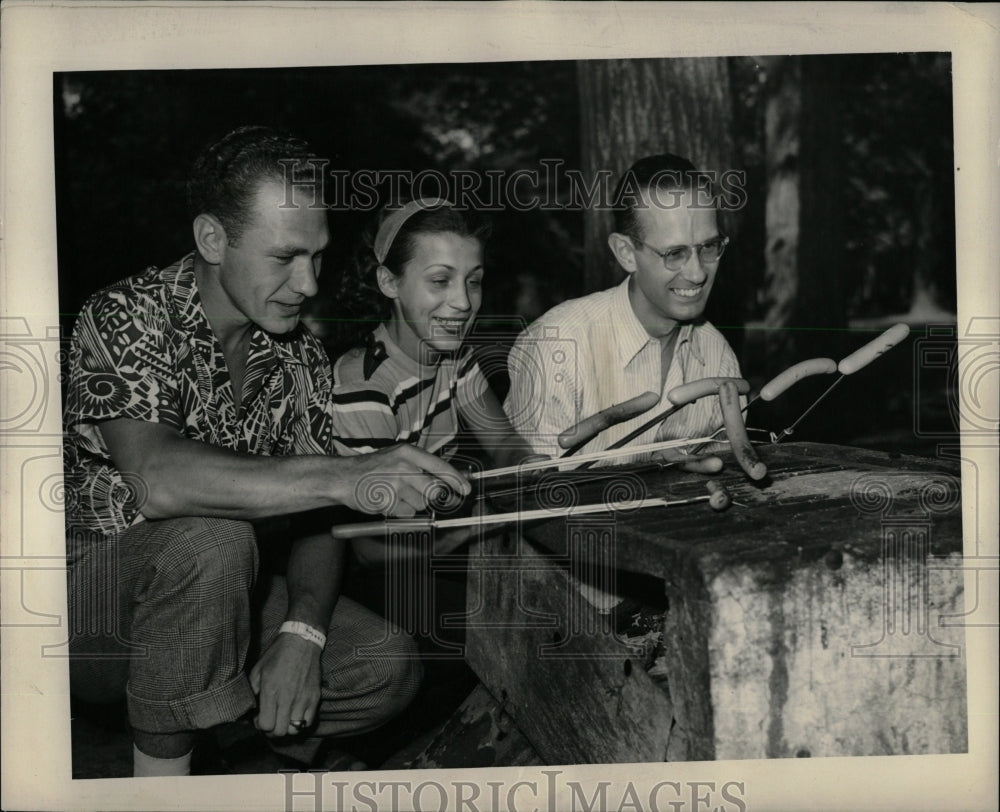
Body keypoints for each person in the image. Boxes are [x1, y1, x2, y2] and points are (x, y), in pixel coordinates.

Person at [62, 127, 469, 777]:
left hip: (222, 595)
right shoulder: (125, 316)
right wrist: (346, 473)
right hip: (89, 612)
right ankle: (159, 786)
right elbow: (158, 481)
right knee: (212, 541)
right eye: (285, 258)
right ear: (213, 240)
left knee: (383, 666)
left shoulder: (299, 355)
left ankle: (221, 745)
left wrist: (302, 633)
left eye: (317, 256)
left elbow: (317, 518)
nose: (308, 283)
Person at [329, 198, 539, 567]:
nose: (462, 302)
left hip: (436, 543)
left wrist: (531, 467)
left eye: (473, 282)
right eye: (440, 280)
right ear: (389, 281)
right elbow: (369, 549)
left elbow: (504, 441)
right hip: (383, 579)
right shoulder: (362, 388)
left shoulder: (454, 358)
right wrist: (475, 525)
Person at [504, 153, 741, 470]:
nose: (698, 273)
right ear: (626, 253)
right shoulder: (555, 347)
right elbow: (521, 497)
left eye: (708, 247)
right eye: (674, 253)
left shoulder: (719, 356)